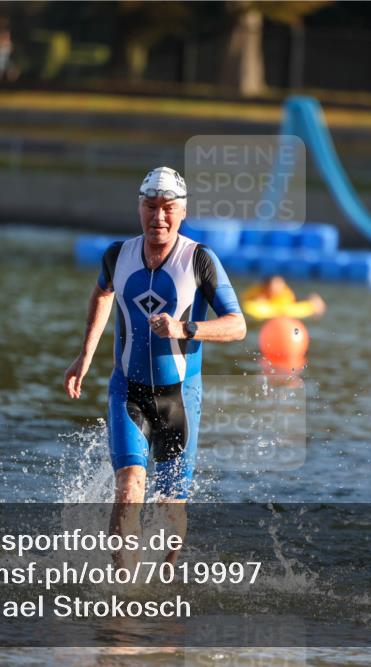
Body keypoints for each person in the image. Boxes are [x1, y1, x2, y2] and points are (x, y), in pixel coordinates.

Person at [64, 166, 247, 567]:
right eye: (151, 207)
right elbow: (102, 292)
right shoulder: (118, 255)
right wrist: (85, 356)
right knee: (129, 486)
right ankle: (121, 589)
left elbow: (238, 326)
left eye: (167, 208)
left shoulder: (199, 260)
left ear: (182, 213)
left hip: (178, 398)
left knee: (170, 506)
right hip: (127, 390)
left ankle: (167, 581)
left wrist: (185, 328)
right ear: (139, 208)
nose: (158, 217)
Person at [241, 275, 326, 321]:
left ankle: (313, 300)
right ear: (266, 286)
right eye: (273, 287)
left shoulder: (285, 295)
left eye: (279, 286)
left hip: (289, 304)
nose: (277, 289)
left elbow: (283, 310)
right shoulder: (257, 290)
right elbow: (245, 301)